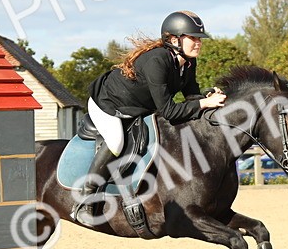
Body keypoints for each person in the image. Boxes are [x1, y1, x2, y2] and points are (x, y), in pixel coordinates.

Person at [73, 11, 227, 227]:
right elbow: (169, 111)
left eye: (199, 38)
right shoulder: (158, 61)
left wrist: (207, 96)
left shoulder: (188, 63)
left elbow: (191, 96)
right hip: (109, 104)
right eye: (193, 38)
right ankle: (85, 197)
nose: (198, 43)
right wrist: (203, 104)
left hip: (138, 108)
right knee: (117, 141)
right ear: (174, 39)